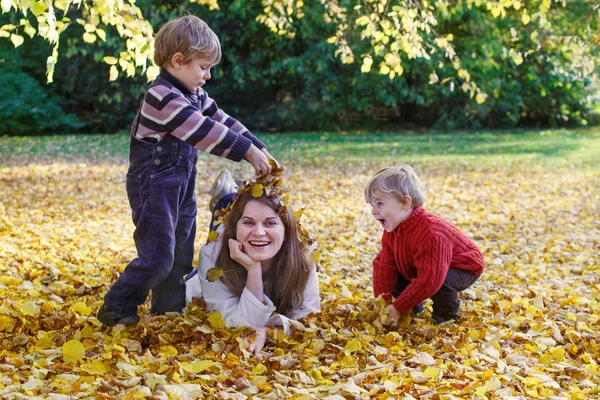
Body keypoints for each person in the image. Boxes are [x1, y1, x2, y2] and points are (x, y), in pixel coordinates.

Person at [97, 15, 277, 326]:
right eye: (203, 67)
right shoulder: (162, 96)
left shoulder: (194, 95)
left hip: (179, 185)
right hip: (152, 186)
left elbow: (220, 118)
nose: (207, 75)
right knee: (157, 256)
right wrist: (244, 151)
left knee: (181, 249)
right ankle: (117, 305)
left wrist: (256, 147)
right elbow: (200, 129)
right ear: (178, 60)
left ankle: (168, 309)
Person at [186, 170, 321, 355]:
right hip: (200, 282)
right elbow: (235, 325)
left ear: (287, 230)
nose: (259, 232)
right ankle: (226, 199)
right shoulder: (212, 256)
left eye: (270, 223)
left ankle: (230, 196)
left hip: (246, 241)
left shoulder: (303, 258)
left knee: (241, 220)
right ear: (235, 229)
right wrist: (253, 270)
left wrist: (269, 329)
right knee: (219, 225)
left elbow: (309, 318)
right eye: (248, 223)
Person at [365, 165, 484, 325]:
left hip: (463, 267)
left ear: (405, 203)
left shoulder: (431, 232)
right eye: (372, 205)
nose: (374, 211)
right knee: (397, 273)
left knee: (441, 281)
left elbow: (431, 279)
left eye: (379, 203)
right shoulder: (393, 230)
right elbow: (384, 266)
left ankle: (447, 316)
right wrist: (383, 303)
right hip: (427, 265)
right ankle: (413, 307)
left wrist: (398, 307)